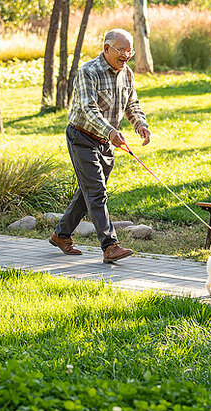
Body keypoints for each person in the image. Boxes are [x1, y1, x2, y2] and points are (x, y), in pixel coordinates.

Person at [49, 29, 151, 263]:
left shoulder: (127, 73)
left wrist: (140, 125)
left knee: (89, 193)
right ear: (106, 48)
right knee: (96, 192)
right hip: (82, 137)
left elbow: (131, 104)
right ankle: (110, 245)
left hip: (106, 141)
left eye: (129, 50)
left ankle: (61, 234)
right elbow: (88, 108)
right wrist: (111, 131)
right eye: (121, 50)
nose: (126, 55)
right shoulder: (88, 71)